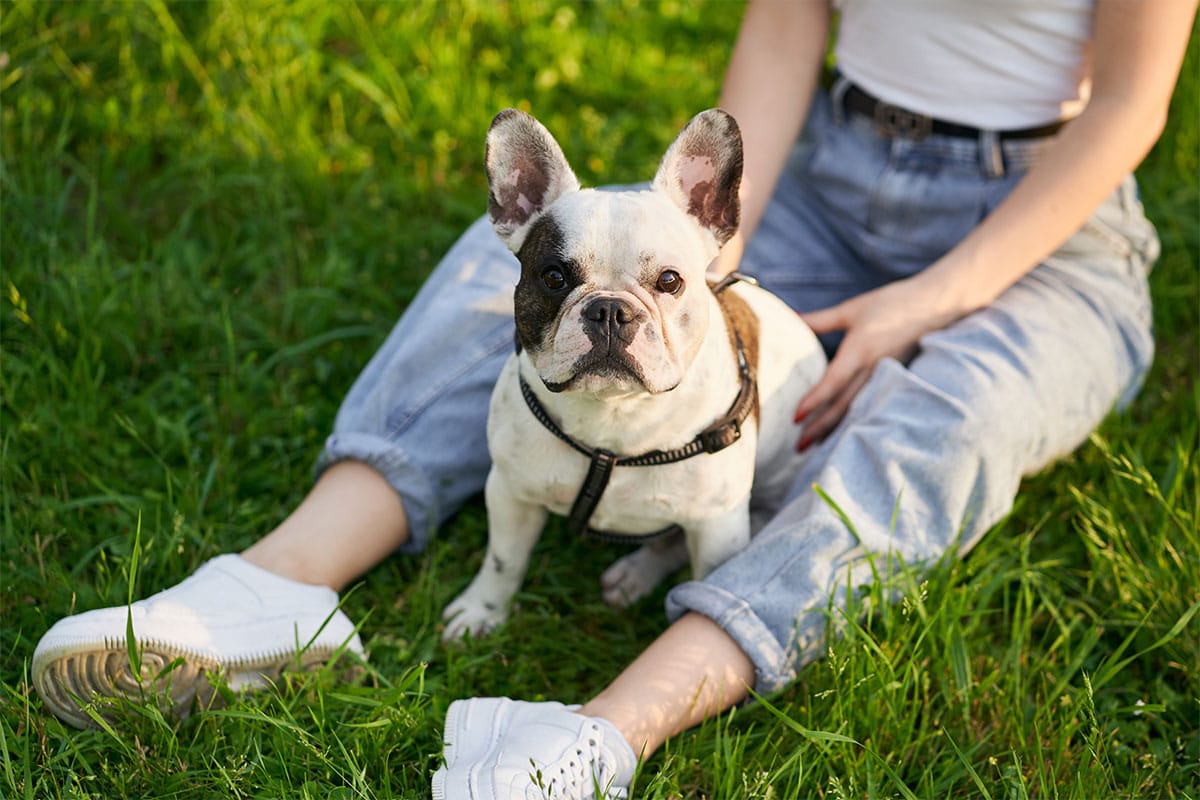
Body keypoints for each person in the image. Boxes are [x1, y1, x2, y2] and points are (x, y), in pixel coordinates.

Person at [32, 0, 1195, 797]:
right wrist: (698, 234)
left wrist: (930, 298)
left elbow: (1129, 106)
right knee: (550, 265)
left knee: (953, 424)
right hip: (823, 155)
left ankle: (601, 729)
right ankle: (276, 584)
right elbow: (788, 26)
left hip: (1051, 207)